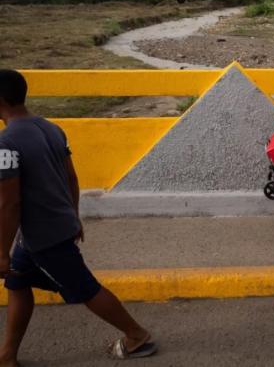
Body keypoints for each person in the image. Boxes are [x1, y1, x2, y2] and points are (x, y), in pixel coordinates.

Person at [0, 69, 157, 365]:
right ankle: (8, 356)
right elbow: (72, 179)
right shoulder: (51, 128)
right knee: (18, 283)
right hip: (44, 231)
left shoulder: (6, 143)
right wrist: (74, 217)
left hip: (43, 235)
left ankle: (136, 335)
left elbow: (9, 203)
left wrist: (0, 253)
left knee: (85, 288)